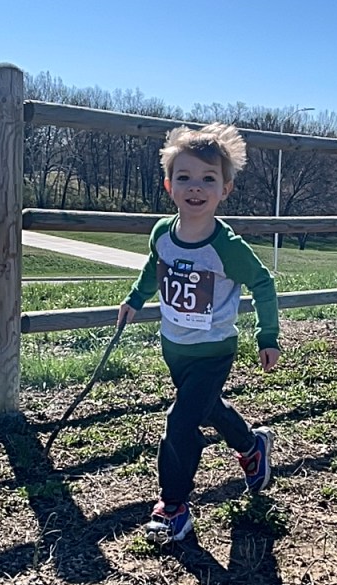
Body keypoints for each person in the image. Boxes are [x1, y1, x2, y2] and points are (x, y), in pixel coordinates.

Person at [118, 122, 280, 543]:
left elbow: (263, 284)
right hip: (174, 347)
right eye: (185, 177)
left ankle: (173, 508)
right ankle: (252, 447)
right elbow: (154, 268)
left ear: (225, 189)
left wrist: (267, 336)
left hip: (214, 350)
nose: (195, 187)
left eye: (208, 179)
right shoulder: (162, 233)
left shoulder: (227, 247)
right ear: (169, 185)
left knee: (180, 421)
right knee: (205, 409)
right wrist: (135, 299)